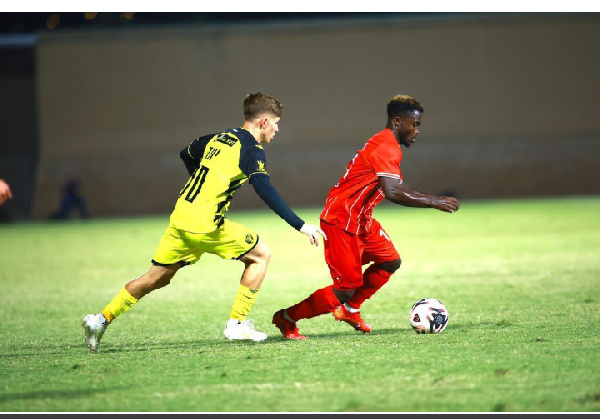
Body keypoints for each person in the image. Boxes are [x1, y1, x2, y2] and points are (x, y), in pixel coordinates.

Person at [82, 92, 326, 353]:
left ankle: (101, 319)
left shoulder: (220, 137)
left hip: (181, 218)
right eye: (276, 123)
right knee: (260, 255)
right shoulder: (252, 150)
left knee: (156, 278)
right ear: (263, 122)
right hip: (206, 223)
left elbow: (186, 153)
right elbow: (264, 189)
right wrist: (300, 225)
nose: (277, 129)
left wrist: (204, 182)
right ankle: (237, 323)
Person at [272, 94, 460, 339]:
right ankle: (287, 317)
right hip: (341, 220)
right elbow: (393, 192)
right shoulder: (386, 147)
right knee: (345, 289)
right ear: (397, 121)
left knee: (390, 261)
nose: (417, 130)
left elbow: (396, 186)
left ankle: (349, 310)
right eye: (415, 124)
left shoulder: (386, 144)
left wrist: (432, 199)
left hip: (361, 219)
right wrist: (434, 201)